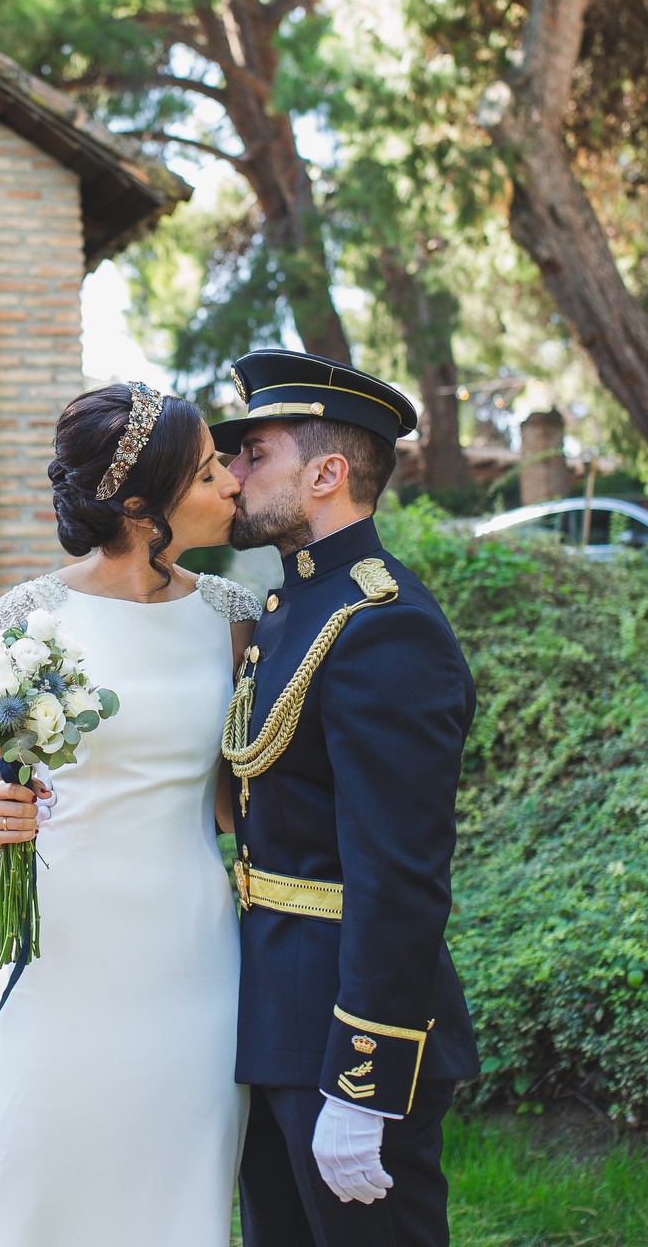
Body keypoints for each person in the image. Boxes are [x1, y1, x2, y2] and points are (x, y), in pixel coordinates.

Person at [0, 382, 261, 1247]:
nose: (233, 482)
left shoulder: (233, 618)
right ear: (139, 504)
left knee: (173, 1198)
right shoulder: (31, 616)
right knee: (33, 1193)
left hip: (192, 959)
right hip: (58, 953)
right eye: (206, 474)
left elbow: (240, 799)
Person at [213, 348, 479, 1247]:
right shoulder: (292, 611)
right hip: (276, 1015)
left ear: (327, 473)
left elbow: (399, 875)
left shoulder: (383, 623)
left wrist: (362, 1080)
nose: (233, 474)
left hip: (347, 1034)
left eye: (255, 454)